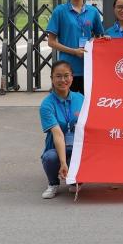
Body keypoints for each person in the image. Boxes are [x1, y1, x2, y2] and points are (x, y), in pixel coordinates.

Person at [46, 0, 103, 93]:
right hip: (67, 69)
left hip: (88, 67)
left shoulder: (93, 11)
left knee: (86, 102)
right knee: (66, 102)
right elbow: (51, 42)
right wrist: (73, 51)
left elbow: (99, 36)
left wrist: (94, 42)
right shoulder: (60, 11)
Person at [39, 61, 85, 199]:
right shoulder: (47, 105)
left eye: (66, 75)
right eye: (58, 76)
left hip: (77, 147)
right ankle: (53, 183)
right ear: (52, 78)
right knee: (50, 157)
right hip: (57, 147)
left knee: (84, 159)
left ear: (72, 77)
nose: (63, 80)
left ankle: (76, 180)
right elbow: (58, 134)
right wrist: (63, 163)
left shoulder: (81, 98)